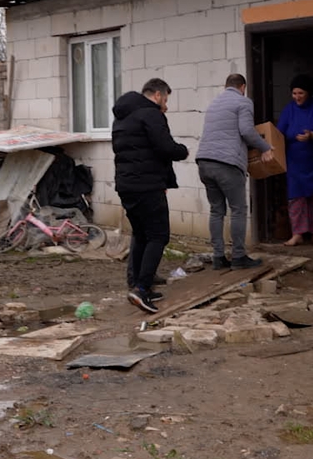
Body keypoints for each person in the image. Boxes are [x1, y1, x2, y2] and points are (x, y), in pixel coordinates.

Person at [112, 78, 189, 313]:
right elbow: (164, 147)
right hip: (147, 186)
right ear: (157, 94)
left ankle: (136, 282)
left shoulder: (122, 117)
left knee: (142, 235)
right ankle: (141, 290)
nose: (165, 105)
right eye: (165, 99)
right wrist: (182, 150)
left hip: (126, 185)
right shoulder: (151, 114)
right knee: (158, 235)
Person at [195, 73, 276, 270]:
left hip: (204, 162)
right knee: (238, 209)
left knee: (216, 210)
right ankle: (239, 257)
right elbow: (247, 131)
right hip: (226, 164)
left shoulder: (214, 104)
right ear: (243, 87)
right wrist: (265, 147)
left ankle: (218, 257)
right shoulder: (243, 102)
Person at [277, 74, 313, 246]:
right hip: (295, 162)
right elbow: (278, 132)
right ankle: (297, 233)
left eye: (301, 93)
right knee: (296, 199)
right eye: (294, 93)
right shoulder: (289, 109)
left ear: (309, 93)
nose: (297, 97)